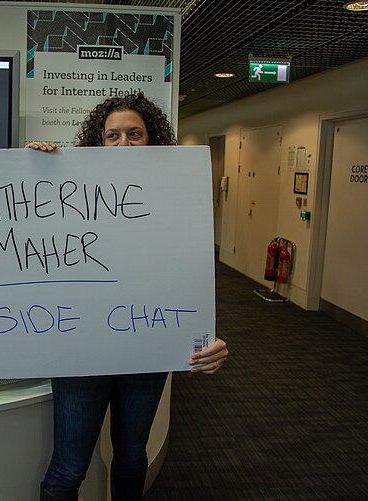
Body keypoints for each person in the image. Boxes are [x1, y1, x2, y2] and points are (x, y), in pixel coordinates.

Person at [27, 92, 229, 501]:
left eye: (134, 134)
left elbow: (186, 281)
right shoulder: (69, 194)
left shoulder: (178, 203)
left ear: (152, 139)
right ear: (98, 143)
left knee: (133, 455)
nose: (124, 144)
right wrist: (32, 167)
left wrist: (206, 342)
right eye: (112, 135)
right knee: (68, 469)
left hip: (145, 353)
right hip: (82, 354)